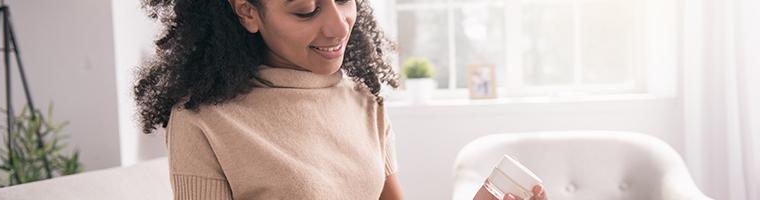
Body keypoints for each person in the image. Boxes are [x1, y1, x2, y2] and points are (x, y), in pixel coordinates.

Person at [133, 0, 547, 199]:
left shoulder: (363, 99)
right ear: (247, 12)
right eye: (305, 11)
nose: (338, 26)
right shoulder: (203, 123)